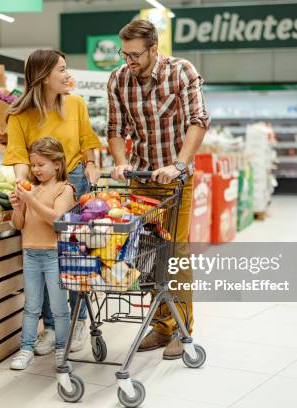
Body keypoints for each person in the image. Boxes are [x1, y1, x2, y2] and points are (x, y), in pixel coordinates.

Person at [107, 20, 210, 360]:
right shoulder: (119, 79)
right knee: (149, 255)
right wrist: (121, 161)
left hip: (176, 179)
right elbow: (115, 127)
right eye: (125, 54)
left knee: (176, 253)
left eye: (135, 54)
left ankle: (182, 329)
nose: (129, 61)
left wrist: (179, 163)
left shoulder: (181, 72)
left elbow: (199, 119)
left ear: (153, 49)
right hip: (142, 179)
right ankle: (162, 326)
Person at [3, 49, 102, 355]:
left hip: (74, 182)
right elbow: (19, 157)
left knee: (75, 256)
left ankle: (78, 321)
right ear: (44, 76)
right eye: (61, 69)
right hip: (38, 186)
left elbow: (88, 144)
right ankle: (51, 326)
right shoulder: (19, 115)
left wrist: (92, 169)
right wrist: (23, 187)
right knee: (47, 255)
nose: (66, 74)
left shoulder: (75, 104)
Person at [9, 137, 76, 370]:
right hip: (30, 253)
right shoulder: (32, 189)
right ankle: (26, 349)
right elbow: (19, 224)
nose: (35, 170)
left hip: (54, 255)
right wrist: (18, 207)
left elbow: (56, 219)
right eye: (33, 165)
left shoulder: (65, 189)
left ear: (57, 164)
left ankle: (62, 349)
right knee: (31, 306)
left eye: (41, 164)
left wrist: (30, 199)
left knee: (59, 308)